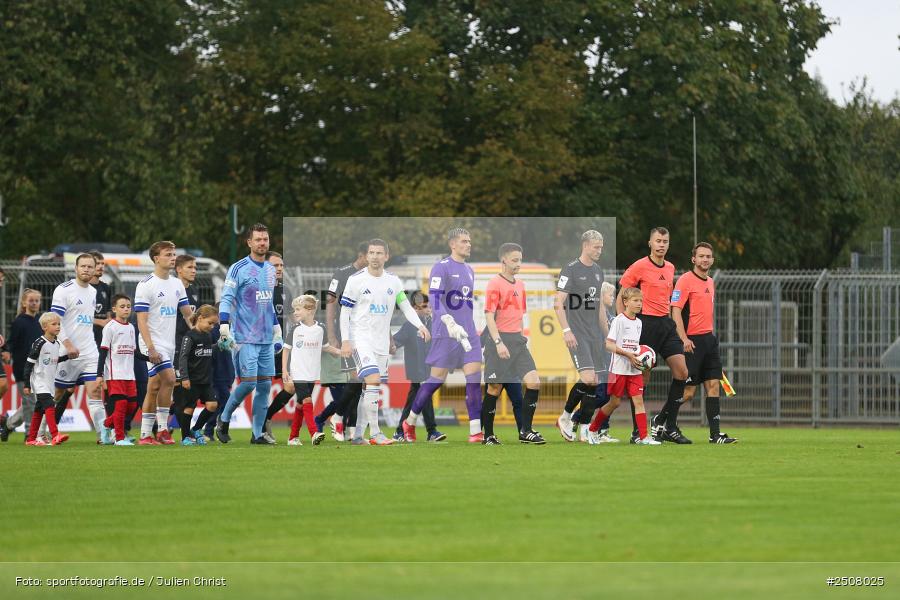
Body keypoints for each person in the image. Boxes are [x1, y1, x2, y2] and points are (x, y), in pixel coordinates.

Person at [341, 239, 430, 445]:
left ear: (386, 256)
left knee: (369, 387)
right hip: (360, 338)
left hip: (381, 342)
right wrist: (346, 341)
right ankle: (375, 433)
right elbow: (345, 312)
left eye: (379, 253)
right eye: (371, 253)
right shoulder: (355, 280)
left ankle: (358, 435)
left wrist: (421, 326)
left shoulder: (393, 281)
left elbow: (406, 307)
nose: (375, 256)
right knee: (373, 379)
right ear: (367, 255)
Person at [401, 228, 483, 443]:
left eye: (469, 241)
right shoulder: (441, 267)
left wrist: (468, 327)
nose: (468, 244)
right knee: (436, 380)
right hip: (445, 333)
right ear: (452, 244)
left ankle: (476, 431)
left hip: (467, 333)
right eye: (464, 241)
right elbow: (435, 299)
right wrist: (448, 321)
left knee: (474, 378)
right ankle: (410, 422)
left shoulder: (470, 270)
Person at [617, 227, 691, 444]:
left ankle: (669, 426)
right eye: (658, 241)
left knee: (682, 372)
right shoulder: (639, 266)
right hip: (645, 325)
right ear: (650, 243)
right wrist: (623, 325)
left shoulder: (670, 267)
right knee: (642, 377)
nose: (661, 245)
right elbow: (622, 296)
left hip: (665, 325)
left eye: (665, 241)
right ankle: (637, 432)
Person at [215, 223, 281, 445]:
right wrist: (224, 327)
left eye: (265, 239)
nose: (262, 243)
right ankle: (224, 419)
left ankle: (257, 434)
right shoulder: (238, 268)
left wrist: (277, 330)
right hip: (244, 337)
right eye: (258, 239)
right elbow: (226, 298)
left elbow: (267, 303)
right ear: (249, 242)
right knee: (249, 384)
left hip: (266, 339)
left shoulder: (270, 270)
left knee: (264, 386)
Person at [671, 242, 737, 444]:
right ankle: (662, 419)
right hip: (691, 342)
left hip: (709, 340)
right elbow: (675, 311)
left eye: (708, 256)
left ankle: (715, 435)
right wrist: (683, 338)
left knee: (714, 386)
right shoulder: (684, 280)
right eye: (701, 256)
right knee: (688, 393)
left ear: (712, 260)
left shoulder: (710, 282)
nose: (705, 259)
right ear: (693, 259)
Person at [481, 243, 545, 445]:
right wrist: (498, 342)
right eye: (514, 260)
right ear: (504, 260)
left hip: (518, 341)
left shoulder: (521, 285)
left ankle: (526, 431)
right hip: (499, 341)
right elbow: (489, 316)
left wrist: (521, 337)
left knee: (534, 382)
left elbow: (519, 316)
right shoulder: (494, 283)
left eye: (520, 260)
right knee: (494, 389)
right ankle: (488, 435)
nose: (518, 264)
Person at [134, 241, 193, 445]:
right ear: (156, 258)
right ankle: (162, 429)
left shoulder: (177, 284)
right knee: (169, 378)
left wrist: (201, 331)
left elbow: (188, 314)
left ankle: (145, 435)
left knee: (154, 387)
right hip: (151, 342)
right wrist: (150, 348)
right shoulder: (146, 284)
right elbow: (141, 320)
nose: (173, 257)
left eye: (174, 254)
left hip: (169, 344)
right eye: (168, 254)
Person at [587, 288, 660, 445]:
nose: (639, 304)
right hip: (618, 369)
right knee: (614, 403)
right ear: (625, 302)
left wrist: (641, 356)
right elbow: (608, 345)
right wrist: (628, 355)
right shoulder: (619, 320)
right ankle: (592, 430)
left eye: (641, 301)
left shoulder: (639, 323)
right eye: (635, 300)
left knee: (638, 401)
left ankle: (644, 437)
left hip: (634, 369)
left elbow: (635, 347)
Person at [554, 230, 609, 442]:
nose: (599, 251)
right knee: (588, 379)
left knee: (594, 383)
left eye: (601, 247)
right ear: (585, 246)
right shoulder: (570, 269)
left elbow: (600, 308)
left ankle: (585, 429)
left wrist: (607, 336)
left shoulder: (598, 271)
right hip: (578, 334)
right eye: (596, 247)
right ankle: (565, 416)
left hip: (595, 335)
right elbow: (558, 303)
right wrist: (566, 330)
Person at [47, 253, 106, 442]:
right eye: (83, 266)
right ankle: (42, 432)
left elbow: (85, 321)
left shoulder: (93, 292)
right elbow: (55, 320)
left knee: (95, 391)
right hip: (66, 352)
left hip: (89, 351)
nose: (87, 269)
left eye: (90, 266)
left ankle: (103, 435)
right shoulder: (64, 290)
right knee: (57, 393)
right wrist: (67, 344)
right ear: (76, 268)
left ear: (94, 269)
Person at [316, 243, 368, 440]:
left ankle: (349, 426)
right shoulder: (342, 274)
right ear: (361, 255)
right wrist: (331, 335)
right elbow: (330, 304)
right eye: (370, 254)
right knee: (355, 379)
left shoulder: (373, 275)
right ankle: (341, 421)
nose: (374, 259)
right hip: (347, 333)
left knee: (362, 383)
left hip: (368, 334)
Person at [281, 295, 338, 445]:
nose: (295, 312)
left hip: (312, 373)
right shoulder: (295, 329)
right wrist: (285, 370)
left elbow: (325, 347)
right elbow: (286, 350)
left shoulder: (321, 328)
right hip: (297, 371)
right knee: (307, 400)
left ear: (309, 310)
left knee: (301, 405)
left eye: (298, 309)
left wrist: (340, 352)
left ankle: (293, 437)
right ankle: (314, 433)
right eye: (294, 310)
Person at [390, 290, 445, 443]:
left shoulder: (433, 324)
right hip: (416, 369)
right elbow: (395, 342)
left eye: (429, 306)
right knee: (424, 395)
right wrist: (390, 346)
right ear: (415, 308)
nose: (429, 309)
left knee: (414, 399)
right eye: (425, 306)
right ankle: (431, 431)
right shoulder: (409, 326)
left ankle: (400, 431)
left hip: (428, 369)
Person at [98, 295, 148, 446]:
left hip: (129, 375)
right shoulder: (110, 327)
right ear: (114, 309)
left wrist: (150, 358)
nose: (126, 309)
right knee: (121, 405)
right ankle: (119, 438)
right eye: (122, 306)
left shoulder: (131, 328)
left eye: (128, 306)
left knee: (131, 405)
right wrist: (99, 374)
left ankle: (106, 424)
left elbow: (134, 352)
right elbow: (103, 352)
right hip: (115, 374)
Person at [573, 281, 619, 443]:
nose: (612, 298)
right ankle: (576, 416)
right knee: (602, 395)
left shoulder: (609, 315)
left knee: (609, 396)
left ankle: (602, 430)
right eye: (610, 295)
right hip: (601, 358)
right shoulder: (597, 315)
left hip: (610, 359)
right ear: (601, 296)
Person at [1, 289, 43, 442]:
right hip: (22, 368)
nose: (34, 303)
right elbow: (11, 342)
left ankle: (9, 424)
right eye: (31, 300)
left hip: (39, 368)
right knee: (29, 401)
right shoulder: (19, 322)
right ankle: (29, 433)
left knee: (32, 402)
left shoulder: (41, 321)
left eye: (37, 300)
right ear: (24, 303)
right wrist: (7, 352)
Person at [23, 313, 70, 446]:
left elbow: (53, 360)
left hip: (49, 382)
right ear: (44, 327)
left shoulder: (57, 344)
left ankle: (31, 439)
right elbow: (29, 364)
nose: (58, 326)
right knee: (50, 405)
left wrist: (68, 357)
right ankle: (55, 435)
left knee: (39, 410)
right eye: (54, 324)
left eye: (59, 324)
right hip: (39, 381)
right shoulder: (39, 343)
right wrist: (27, 384)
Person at [177, 305, 219, 445]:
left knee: (212, 405)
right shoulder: (189, 337)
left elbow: (207, 350)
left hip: (205, 379)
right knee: (189, 408)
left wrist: (218, 345)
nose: (212, 326)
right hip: (192, 379)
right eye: (210, 323)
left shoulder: (208, 336)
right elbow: (183, 357)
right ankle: (185, 437)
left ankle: (195, 429)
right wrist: (184, 377)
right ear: (200, 318)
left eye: (214, 324)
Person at [172, 254, 200, 435]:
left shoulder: (194, 290)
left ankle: (174, 426)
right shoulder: (172, 289)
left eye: (195, 267)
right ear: (179, 270)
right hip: (174, 345)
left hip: (191, 347)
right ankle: (183, 431)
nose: (194, 271)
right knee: (179, 390)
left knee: (189, 391)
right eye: (190, 267)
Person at [89, 251, 112, 351]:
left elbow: (108, 312)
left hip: (102, 335)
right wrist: (99, 321)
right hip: (87, 335)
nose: (101, 266)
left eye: (102, 264)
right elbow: (76, 316)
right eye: (97, 263)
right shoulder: (82, 288)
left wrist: (109, 321)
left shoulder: (106, 287)